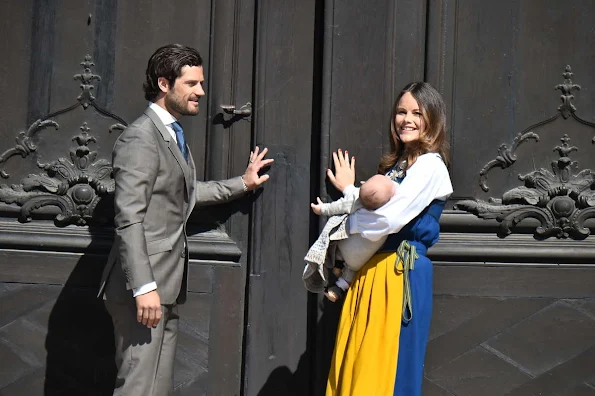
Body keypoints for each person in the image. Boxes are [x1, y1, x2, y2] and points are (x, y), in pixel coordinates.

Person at [97, 44, 273, 396]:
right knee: (137, 389)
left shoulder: (171, 133)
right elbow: (129, 219)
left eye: (201, 82)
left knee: (156, 390)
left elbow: (185, 193)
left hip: (166, 288)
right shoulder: (140, 138)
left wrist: (243, 183)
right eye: (192, 83)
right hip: (142, 291)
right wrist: (143, 286)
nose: (201, 92)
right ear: (164, 84)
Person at [325, 82, 453, 396]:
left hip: (399, 275)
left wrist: (348, 223)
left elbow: (389, 218)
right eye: (400, 111)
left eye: (416, 113)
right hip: (374, 273)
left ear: (431, 120)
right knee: (360, 364)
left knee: (387, 370)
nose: (406, 119)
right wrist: (349, 192)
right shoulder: (397, 167)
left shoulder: (430, 166)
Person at [309, 174, 398, 302]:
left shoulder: (358, 200)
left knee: (335, 244)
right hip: (360, 260)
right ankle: (337, 289)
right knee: (350, 273)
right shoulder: (394, 209)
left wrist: (323, 209)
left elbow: (340, 205)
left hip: (345, 245)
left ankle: (337, 265)